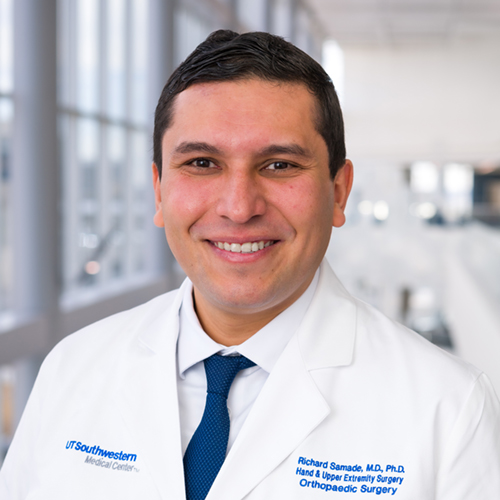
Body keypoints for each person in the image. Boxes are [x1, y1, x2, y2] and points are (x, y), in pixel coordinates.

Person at [1, 30, 499, 500]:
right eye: (201, 163)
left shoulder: (448, 408)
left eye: (279, 165)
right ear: (158, 190)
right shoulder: (74, 368)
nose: (239, 208)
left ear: (339, 191)